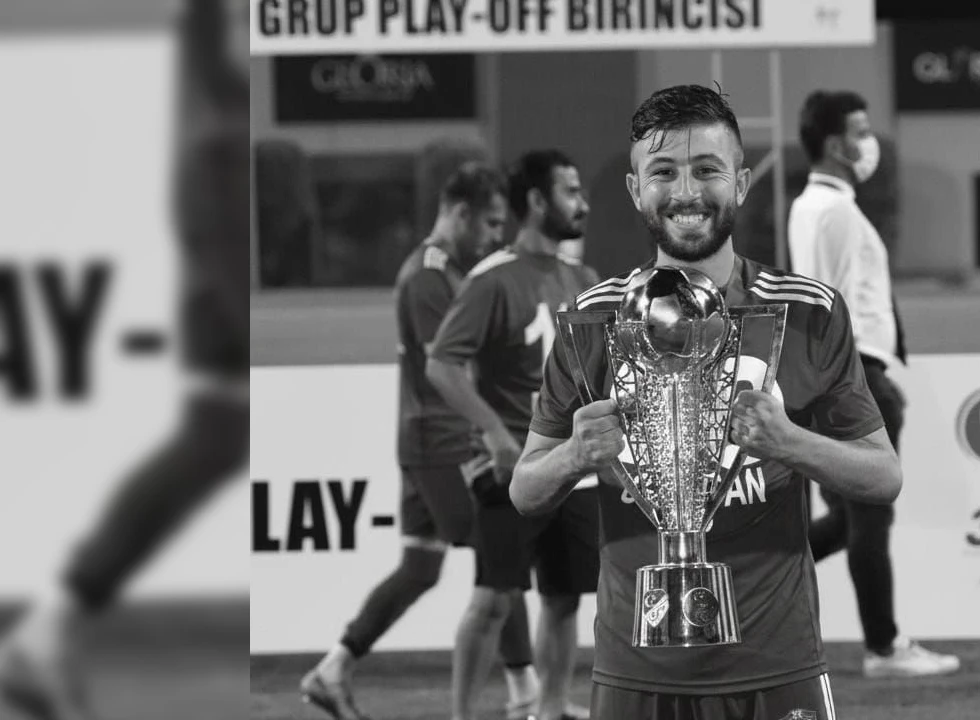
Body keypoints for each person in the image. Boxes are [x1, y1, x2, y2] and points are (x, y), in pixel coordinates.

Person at [511, 84, 902, 720]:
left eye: (707, 169)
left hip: (779, 665)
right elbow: (526, 489)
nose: (687, 192)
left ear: (741, 183)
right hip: (635, 672)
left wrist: (789, 442)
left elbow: (883, 477)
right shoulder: (594, 318)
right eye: (663, 172)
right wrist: (573, 456)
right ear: (636, 189)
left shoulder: (805, 312)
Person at [0, 3, 248, 719]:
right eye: (239, 22)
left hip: (225, 351)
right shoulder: (217, 147)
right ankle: (47, 630)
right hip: (227, 351)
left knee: (208, 450)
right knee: (209, 447)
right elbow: (231, 270)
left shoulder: (220, 136)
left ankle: (49, 629)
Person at [299, 163, 543, 720]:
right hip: (444, 442)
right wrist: (494, 429)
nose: (496, 235)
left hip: (428, 439)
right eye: (490, 223)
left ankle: (333, 670)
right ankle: (528, 694)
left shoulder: (446, 271)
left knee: (420, 568)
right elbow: (449, 370)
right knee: (499, 553)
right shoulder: (430, 277)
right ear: (459, 213)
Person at [789, 90, 960, 678]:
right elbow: (827, 305)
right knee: (869, 515)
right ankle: (884, 647)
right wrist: (860, 384)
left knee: (850, 518)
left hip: (849, 370)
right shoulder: (832, 211)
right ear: (835, 144)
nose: (870, 143)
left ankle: (748, 576)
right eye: (860, 131)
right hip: (852, 370)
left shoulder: (818, 206)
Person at [427, 150, 599, 720]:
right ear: (537, 200)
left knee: (564, 597)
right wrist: (496, 435)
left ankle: (550, 709)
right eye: (571, 191)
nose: (583, 204)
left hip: (574, 468)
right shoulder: (491, 280)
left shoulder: (585, 280)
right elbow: (441, 365)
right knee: (495, 599)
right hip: (512, 469)